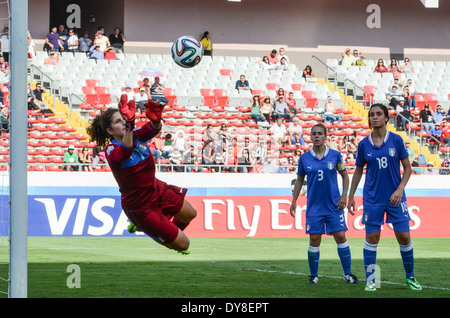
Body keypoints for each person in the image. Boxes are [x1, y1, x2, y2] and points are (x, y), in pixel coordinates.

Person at [86, 95, 196, 254]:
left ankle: (164, 231)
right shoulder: (111, 150)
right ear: (109, 131)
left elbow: (152, 129)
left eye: (124, 119)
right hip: (140, 205)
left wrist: (156, 119)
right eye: (118, 121)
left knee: (190, 214)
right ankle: (156, 233)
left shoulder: (135, 133)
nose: (124, 122)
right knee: (184, 244)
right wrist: (130, 126)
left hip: (156, 188)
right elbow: (125, 151)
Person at [347, 103, 421, 292]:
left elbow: (408, 169)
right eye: (372, 114)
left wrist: (400, 189)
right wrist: (351, 196)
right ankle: (370, 281)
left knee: (404, 237)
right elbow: (357, 171)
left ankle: (410, 277)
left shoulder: (396, 140)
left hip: (396, 198)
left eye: (379, 114)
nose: (375, 117)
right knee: (372, 237)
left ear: (387, 118)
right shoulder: (364, 144)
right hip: (372, 199)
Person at [290, 123, 358, 285]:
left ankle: (348, 274)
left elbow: (345, 176)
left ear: (325, 137)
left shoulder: (335, 156)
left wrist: (344, 196)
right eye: (314, 134)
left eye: (320, 133)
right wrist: (294, 200)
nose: (317, 136)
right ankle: (313, 276)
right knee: (314, 239)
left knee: (341, 236)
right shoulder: (304, 158)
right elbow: (300, 180)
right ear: (311, 137)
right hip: (314, 207)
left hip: (334, 205)